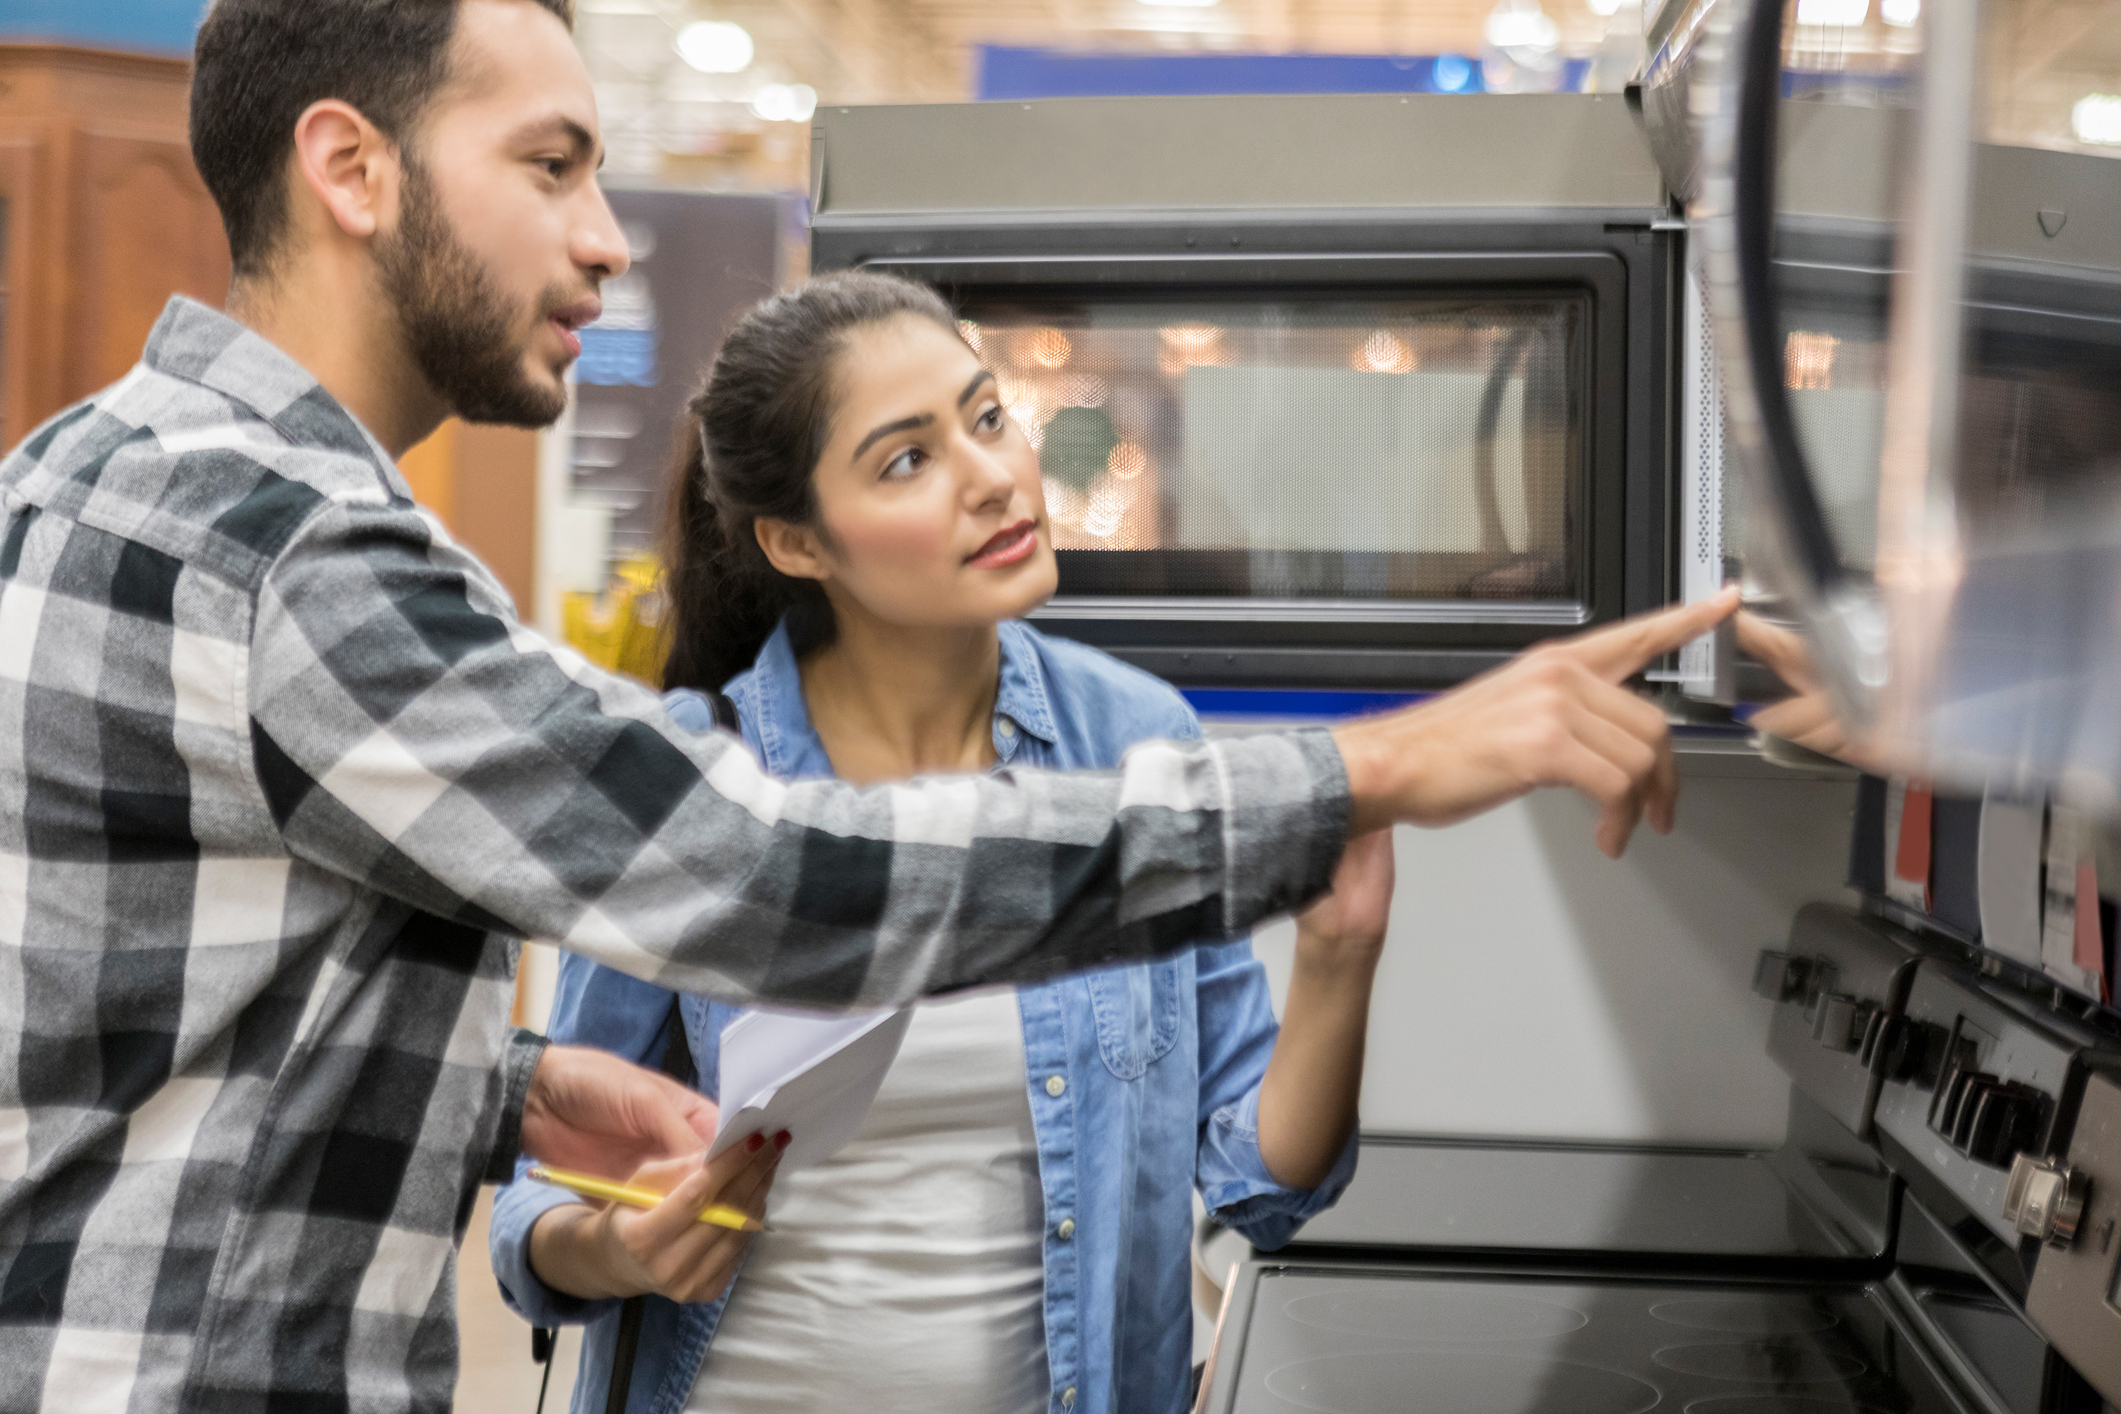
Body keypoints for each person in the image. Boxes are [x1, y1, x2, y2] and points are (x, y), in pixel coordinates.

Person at [0, 1, 1732, 1410]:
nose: (607, 242)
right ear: (349, 168)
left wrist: (506, 1087)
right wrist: (1383, 761)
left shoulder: (87, 474)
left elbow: (138, 1012)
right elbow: (766, 876)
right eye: (552, 166)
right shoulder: (293, 545)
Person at [489, 272, 1397, 1414]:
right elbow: (534, 1209)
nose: (995, 477)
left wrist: (1340, 955)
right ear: (795, 540)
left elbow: (1262, 1188)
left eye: (986, 416)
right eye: (907, 459)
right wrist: (622, 1249)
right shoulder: (691, 780)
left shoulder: (1137, 748)